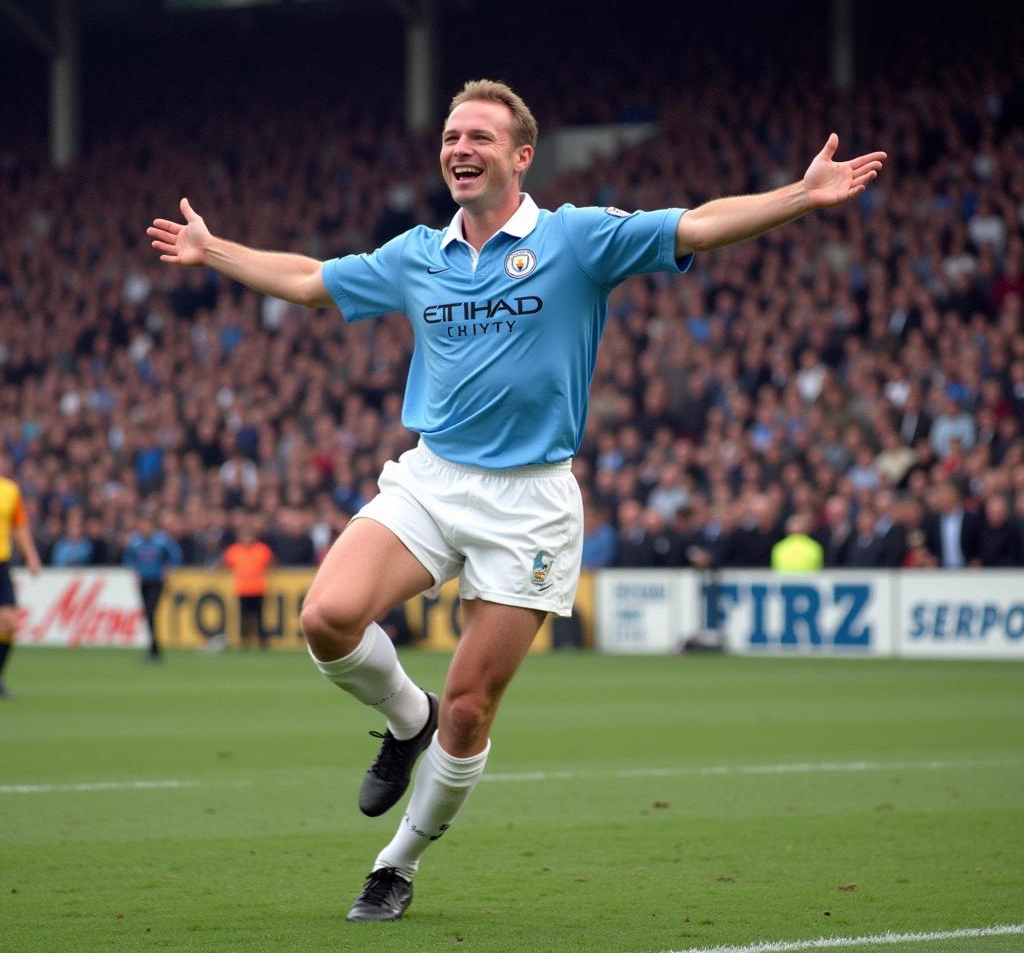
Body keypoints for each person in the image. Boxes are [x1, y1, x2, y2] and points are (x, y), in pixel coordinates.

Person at [148, 78, 885, 921]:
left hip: (530, 501)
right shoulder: (418, 254)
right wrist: (217, 251)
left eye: (480, 138)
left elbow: (697, 225)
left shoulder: (577, 239)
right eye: (452, 135)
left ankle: (397, 864)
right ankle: (403, 718)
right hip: (432, 477)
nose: (460, 148)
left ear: (521, 156)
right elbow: (314, 279)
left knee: (470, 709)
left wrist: (801, 194)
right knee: (325, 618)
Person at [0, 454, 42, 697]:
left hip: (2, 563)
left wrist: (31, 556)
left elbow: (20, 527)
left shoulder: (10, 491)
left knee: (10, 624)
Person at [122, 509, 184, 661]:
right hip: (144, 581)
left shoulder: (161, 540)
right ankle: (154, 649)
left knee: (150, 611)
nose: (144, 527)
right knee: (149, 614)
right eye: (142, 524)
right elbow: (128, 558)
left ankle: (153, 649)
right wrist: (135, 572)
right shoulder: (135, 541)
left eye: (147, 524)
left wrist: (167, 571)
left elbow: (175, 556)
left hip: (157, 581)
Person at [222, 514, 275, 649]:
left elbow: (272, 564)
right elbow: (225, 565)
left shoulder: (262, 549)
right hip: (243, 589)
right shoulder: (234, 550)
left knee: (259, 617)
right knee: (244, 618)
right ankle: (244, 641)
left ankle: (262, 642)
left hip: (258, 589)